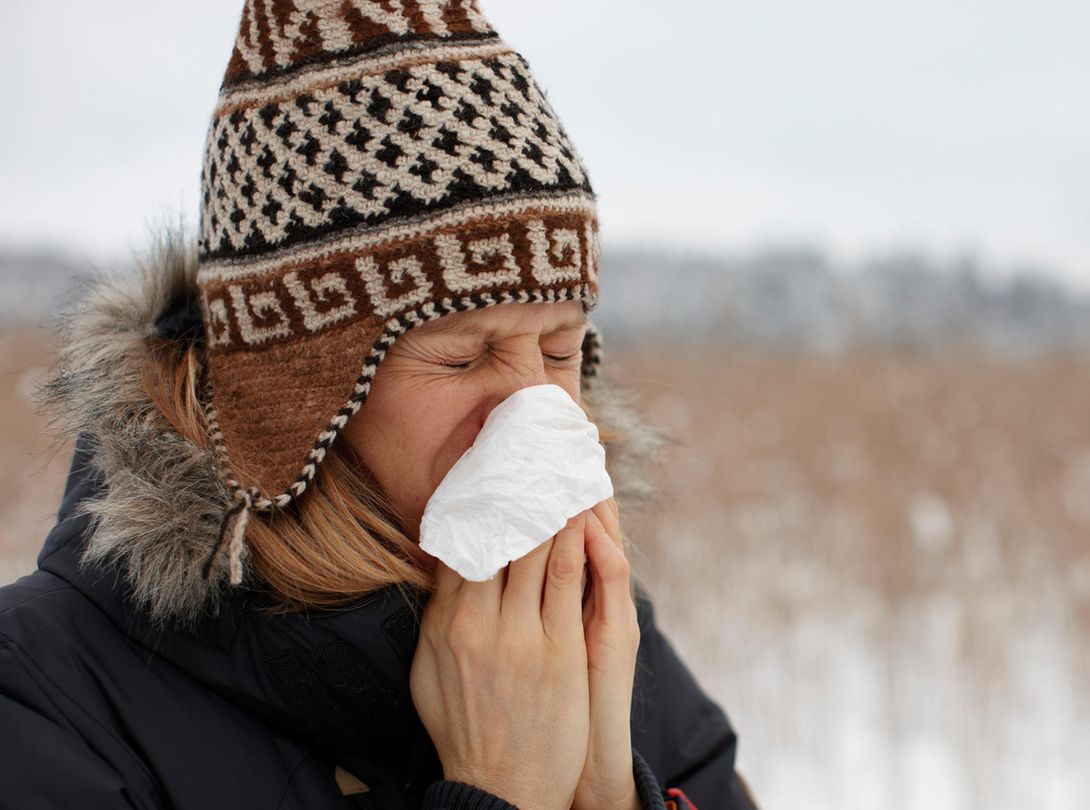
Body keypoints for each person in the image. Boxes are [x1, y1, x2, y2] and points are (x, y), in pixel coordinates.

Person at [0, 2, 758, 808]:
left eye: (562, 349)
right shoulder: (47, 702)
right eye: (464, 356)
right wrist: (498, 793)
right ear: (294, 398)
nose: (537, 411)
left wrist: (609, 795)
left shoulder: (608, 643)